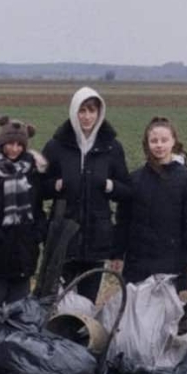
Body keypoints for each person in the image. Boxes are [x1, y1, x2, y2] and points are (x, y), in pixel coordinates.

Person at [42, 87, 130, 302]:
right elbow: (37, 187)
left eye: (92, 110)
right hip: (63, 236)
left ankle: (84, 335)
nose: (87, 116)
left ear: (100, 113)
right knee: (59, 301)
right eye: (82, 110)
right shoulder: (56, 146)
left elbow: (126, 190)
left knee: (87, 303)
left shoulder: (112, 147)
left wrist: (109, 185)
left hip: (97, 237)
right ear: (74, 112)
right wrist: (55, 185)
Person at [115, 116, 187, 292]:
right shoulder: (135, 179)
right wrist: (117, 254)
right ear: (147, 143)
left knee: (166, 316)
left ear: (173, 142)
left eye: (164, 140)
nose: (159, 145)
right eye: (154, 141)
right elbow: (123, 221)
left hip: (172, 263)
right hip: (138, 264)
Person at [0, 116, 48, 309]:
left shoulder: (33, 171)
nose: (14, 149)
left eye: (18, 144)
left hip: (24, 255)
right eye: (9, 144)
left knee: (18, 316)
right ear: (1, 142)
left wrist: (37, 233)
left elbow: (37, 207)